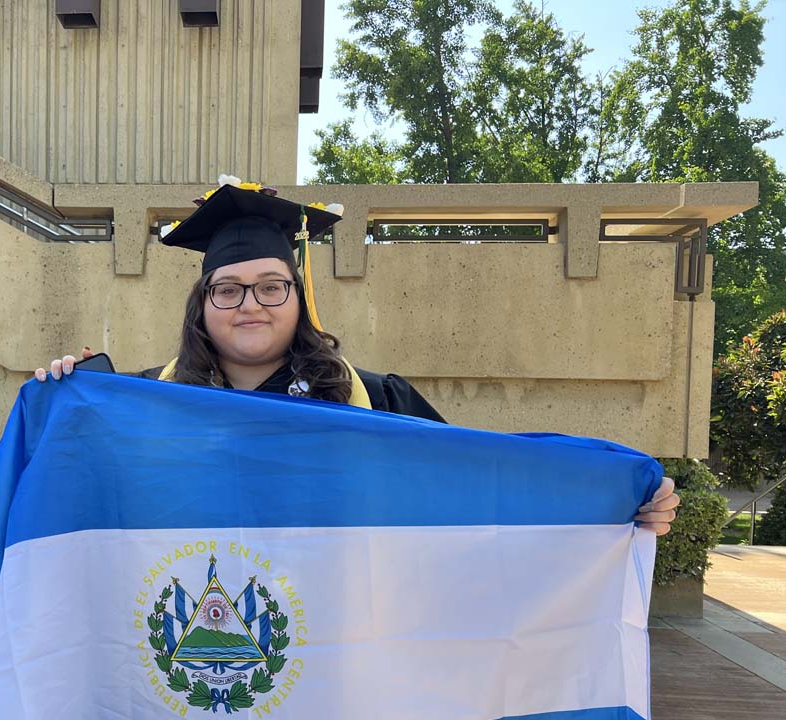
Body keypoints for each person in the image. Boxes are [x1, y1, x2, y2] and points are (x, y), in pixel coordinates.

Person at [34, 177, 680, 534]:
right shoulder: (147, 404)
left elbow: (476, 483)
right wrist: (61, 399)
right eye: (227, 289)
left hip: (334, 664)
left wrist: (611, 505)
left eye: (271, 286)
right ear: (202, 302)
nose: (249, 304)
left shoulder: (371, 402)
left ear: (299, 295)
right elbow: (68, 499)